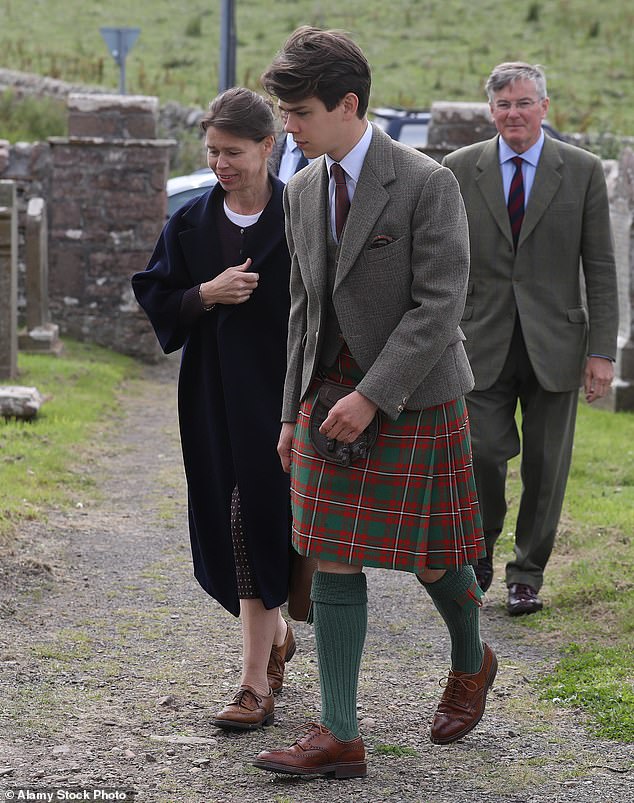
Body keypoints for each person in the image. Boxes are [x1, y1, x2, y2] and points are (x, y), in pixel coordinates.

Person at [254, 27, 497, 779]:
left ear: (347, 103)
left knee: (433, 560)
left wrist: (373, 394)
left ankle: (471, 660)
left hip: (415, 398)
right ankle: (339, 733)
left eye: (297, 111)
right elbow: (301, 310)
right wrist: (295, 412)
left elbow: (438, 305)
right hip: (328, 405)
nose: (286, 125)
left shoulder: (427, 182)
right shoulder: (299, 190)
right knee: (330, 554)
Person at [131, 87, 296, 731]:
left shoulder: (301, 218)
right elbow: (156, 291)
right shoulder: (192, 224)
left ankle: (265, 661)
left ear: (268, 146)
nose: (221, 164)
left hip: (286, 400)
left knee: (272, 524)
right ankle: (265, 659)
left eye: (233, 152)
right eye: (212, 152)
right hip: (213, 400)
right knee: (233, 523)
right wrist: (206, 292)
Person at [443, 63, 618, 615]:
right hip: (479, 342)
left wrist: (602, 352)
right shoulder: (458, 168)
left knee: (546, 466)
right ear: (489, 111)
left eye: (523, 103)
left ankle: (527, 575)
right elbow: (444, 260)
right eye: (503, 105)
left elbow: (602, 267)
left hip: (558, 345)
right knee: (481, 452)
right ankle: (482, 548)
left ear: (544, 107)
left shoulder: (583, 170)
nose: (513, 114)